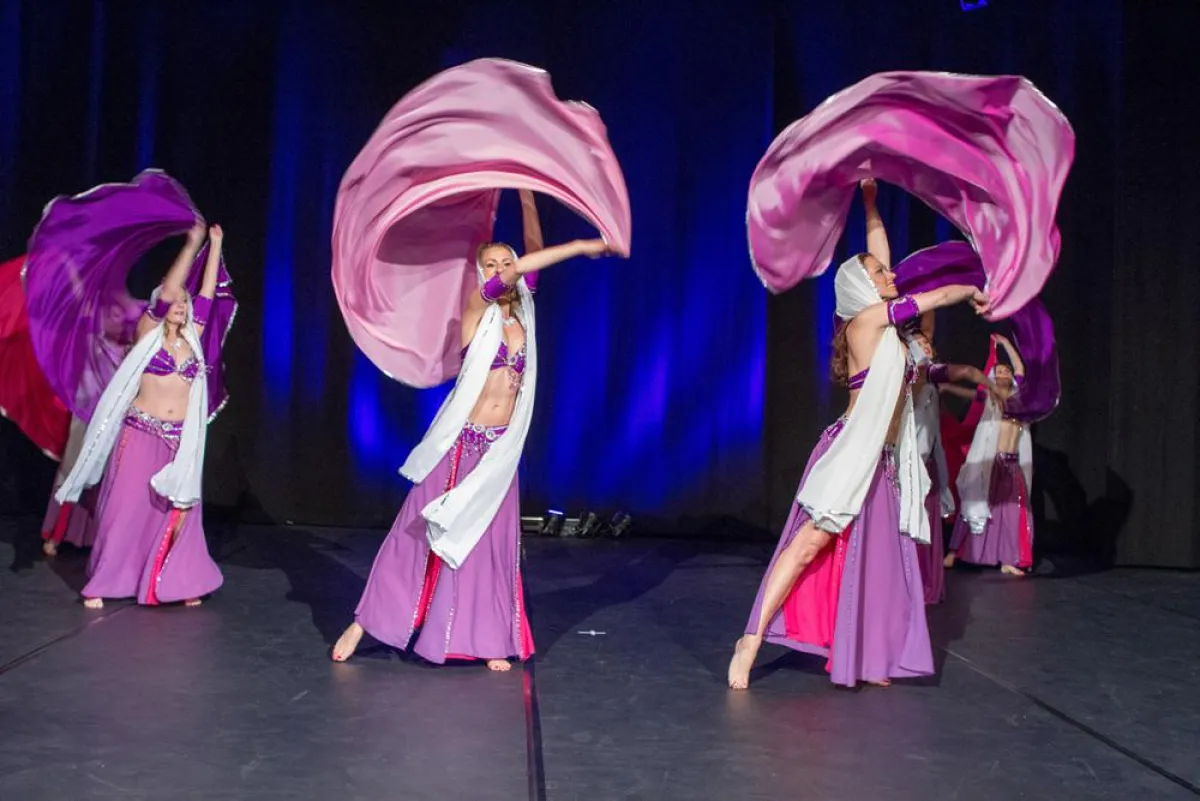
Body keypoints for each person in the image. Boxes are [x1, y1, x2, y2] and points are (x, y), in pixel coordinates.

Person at [332, 190, 615, 671]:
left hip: (499, 451)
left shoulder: (522, 314)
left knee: (488, 545)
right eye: (493, 264)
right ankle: (365, 621)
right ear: (481, 273)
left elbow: (531, 245)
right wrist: (583, 247)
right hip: (461, 444)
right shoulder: (473, 310)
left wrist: (526, 191)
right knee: (416, 531)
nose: (503, 269)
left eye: (508, 262)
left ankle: (484, 637)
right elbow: (528, 258)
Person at [728, 179, 989, 689]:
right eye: (877, 273)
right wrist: (972, 289)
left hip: (886, 459)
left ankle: (865, 651)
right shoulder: (865, 322)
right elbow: (930, 293)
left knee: (879, 557)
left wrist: (871, 202)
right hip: (851, 449)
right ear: (859, 289)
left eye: (884, 269)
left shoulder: (892, 331)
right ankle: (750, 640)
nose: (889, 273)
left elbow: (878, 256)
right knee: (809, 546)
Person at [55, 222, 226, 607]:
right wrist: (192, 243)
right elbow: (170, 289)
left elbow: (208, 295)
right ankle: (104, 581)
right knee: (125, 511)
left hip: (179, 439)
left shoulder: (193, 338)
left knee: (177, 511)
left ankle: (178, 581)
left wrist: (216, 245)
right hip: (140, 434)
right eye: (175, 300)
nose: (182, 304)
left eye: (185, 301)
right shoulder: (148, 332)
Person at [907, 325, 998, 603]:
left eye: (927, 343)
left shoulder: (934, 379)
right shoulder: (909, 377)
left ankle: (927, 585)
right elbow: (967, 373)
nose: (924, 345)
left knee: (929, 528)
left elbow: (970, 376)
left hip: (931, 461)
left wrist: (993, 389)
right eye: (918, 342)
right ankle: (909, 585)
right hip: (909, 464)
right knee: (911, 526)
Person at [945, 334, 1033, 576]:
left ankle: (1008, 559)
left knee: (1011, 512)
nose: (1004, 374)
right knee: (976, 503)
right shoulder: (990, 398)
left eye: (1006, 371)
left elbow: (1020, 368)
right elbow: (967, 393)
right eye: (999, 371)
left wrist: (1005, 344)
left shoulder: (1020, 400)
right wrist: (944, 386)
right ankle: (955, 552)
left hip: (1012, 464)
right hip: (991, 462)